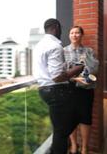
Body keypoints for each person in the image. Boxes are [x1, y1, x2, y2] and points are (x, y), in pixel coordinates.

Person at [33, 18, 85, 154]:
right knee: (63, 129)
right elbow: (57, 77)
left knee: (60, 130)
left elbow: (51, 71)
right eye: (61, 28)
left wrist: (67, 70)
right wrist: (77, 69)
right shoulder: (55, 46)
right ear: (56, 27)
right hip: (56, 91)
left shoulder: (39, 45)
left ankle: (57, 148)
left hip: (44, 90)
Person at [64, 26, 99, 154]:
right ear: (69, 35)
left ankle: (85, 147)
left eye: (77, 32)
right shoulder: (63, 51)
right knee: (70, 117)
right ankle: (74, 145)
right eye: (72, 32)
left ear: (81, 35)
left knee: (85, 118)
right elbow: (62, 72)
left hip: (85, 88)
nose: (74, 35)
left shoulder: (89, 51)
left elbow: (94, 69)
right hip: (69, 89)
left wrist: (86, 72)